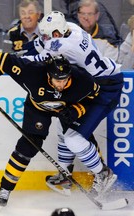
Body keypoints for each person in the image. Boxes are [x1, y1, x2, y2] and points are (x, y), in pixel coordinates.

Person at [0, 53, 115, 207]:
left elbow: (94, 98)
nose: (61, 84)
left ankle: (100, 172)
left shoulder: (81, 79)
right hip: (38, 109)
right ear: (48, 75)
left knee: (79, 136)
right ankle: (5, 188)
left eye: (65, 80)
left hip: (67, 109)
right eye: (58, 80)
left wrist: (76, 110)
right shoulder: (31, 72)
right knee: (27, 146)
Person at [25, 11, 123, 196]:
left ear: (56, 34)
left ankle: (104, 174)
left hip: (105, 89)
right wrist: (29, 45)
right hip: (98, 82)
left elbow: (34, 61)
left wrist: (7, 60)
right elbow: (41, 43)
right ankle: (65, 175)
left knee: (73, 139)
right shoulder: (72, 28)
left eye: (47, 35)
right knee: (63, 127)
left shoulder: (61, 44)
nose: (45, 38)